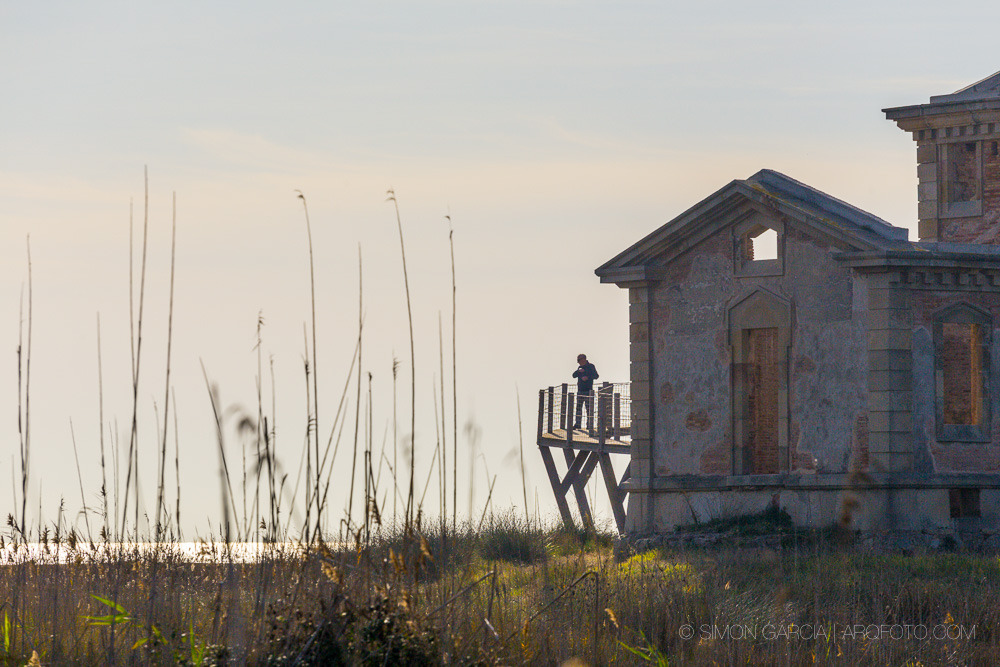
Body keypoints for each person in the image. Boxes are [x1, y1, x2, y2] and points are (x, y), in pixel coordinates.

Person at [572, 354, 598, 431]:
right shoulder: (579, 368)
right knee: (578, 408)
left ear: (583, 359)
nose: (578, 363)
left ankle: (589, 425)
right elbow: (573, 375)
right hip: (580, 391)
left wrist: (587, 377)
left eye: (579, 361)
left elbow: (596, 376)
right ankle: (578, 424)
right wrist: (578, 371)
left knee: (589, 409)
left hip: (588, 391)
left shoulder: (591, 366)